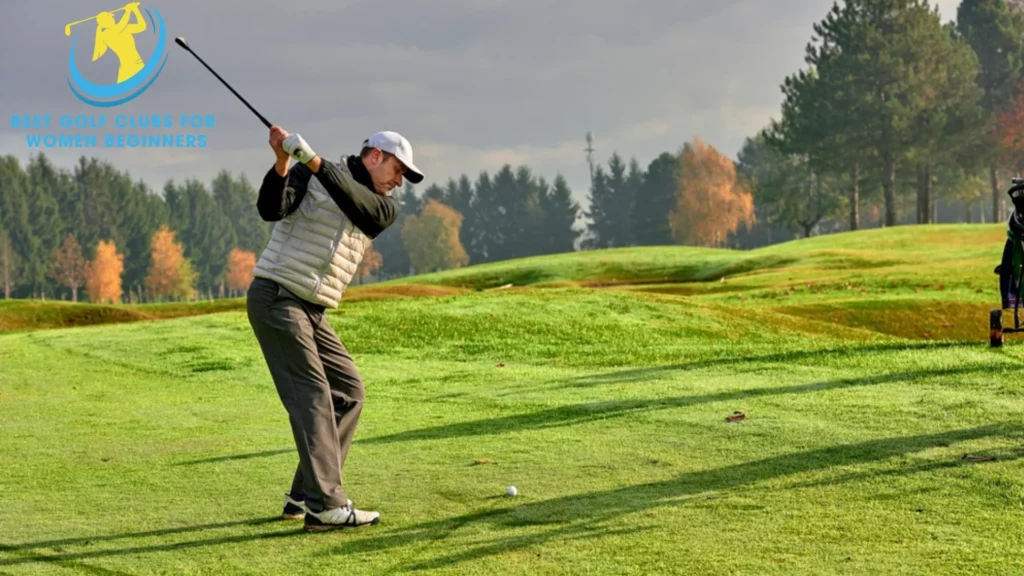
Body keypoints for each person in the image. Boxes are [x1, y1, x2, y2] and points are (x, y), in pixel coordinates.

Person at [246, 126, 423, 532]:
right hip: (277, 295)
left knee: (348, 392)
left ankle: (306, 492)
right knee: (312, 395)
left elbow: (353, 200)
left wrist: (313, 159)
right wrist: (283, 163)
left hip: (312, 308)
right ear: (375, 156)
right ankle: (326, 504)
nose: (399, 182)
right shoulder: (311, 173)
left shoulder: (382, 207)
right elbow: (272, 209)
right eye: (398, 170)